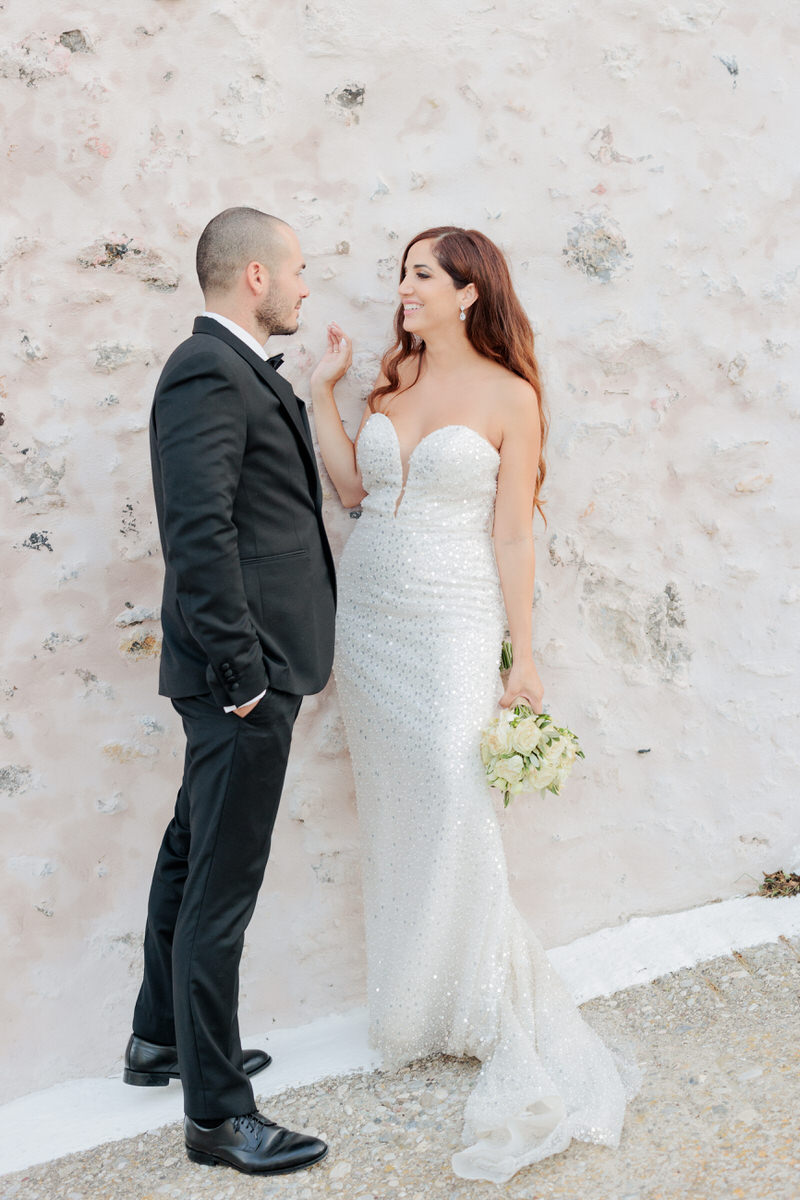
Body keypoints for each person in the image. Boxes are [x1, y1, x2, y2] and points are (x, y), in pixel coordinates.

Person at [309, 226, 634, 1182]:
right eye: (401, 274)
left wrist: (521, 655)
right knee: (397, 810)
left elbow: (513, 537)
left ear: (468, 293)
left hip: (452, 621)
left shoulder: (511, 396)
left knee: (457, 803)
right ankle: (419, 1002)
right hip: (371, 620)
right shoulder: (394, 380)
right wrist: (324, 394)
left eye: (421, 275)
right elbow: (354, 489)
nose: (403, 289)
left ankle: (483, 997)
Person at [124, 207, 335, 1176]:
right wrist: (242, 675)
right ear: (255, 275)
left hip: (244, 671)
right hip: (241, 677)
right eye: (296, 269)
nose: (303, 285)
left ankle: (160, 1039)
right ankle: (216, 1113)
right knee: (222, 884)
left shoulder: (234, 368)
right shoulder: (206, 369)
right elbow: (197, 529)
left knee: (191, 848)